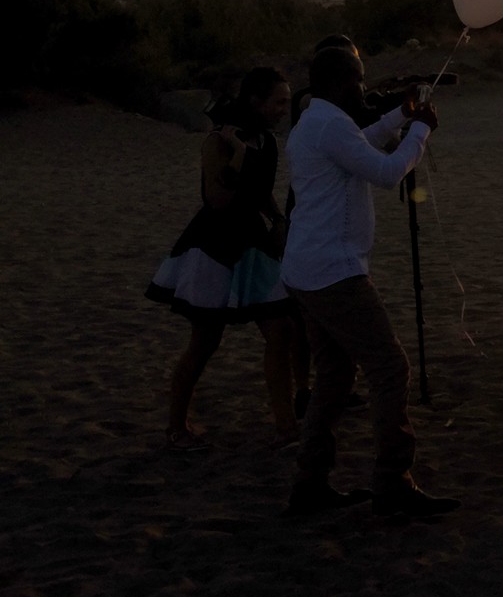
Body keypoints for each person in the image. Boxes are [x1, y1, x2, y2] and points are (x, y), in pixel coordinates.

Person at [281, 46, 453, 518]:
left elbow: (362, 140)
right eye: (358, 79)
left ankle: (309, 482)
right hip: (333, 272)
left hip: (307, 270)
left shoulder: (315, 122)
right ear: (339, 82)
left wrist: (402, 113)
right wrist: (420, 129)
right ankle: (391, 482)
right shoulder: (331, 125)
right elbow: (385, 170)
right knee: (389, 368)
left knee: (334, 376)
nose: (363, 87)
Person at [147, 67, 302, 448]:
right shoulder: (218, 142)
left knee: (280, 331)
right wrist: (238, 156)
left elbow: (259, 190)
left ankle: (286, 426)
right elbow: (218, 200)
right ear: (256, 101)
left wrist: (278, 218)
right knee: (205, 340)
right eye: (278, 101)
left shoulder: (266, 141)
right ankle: (176, 425)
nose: (285, 108)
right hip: (214, 245)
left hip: (252, 241)